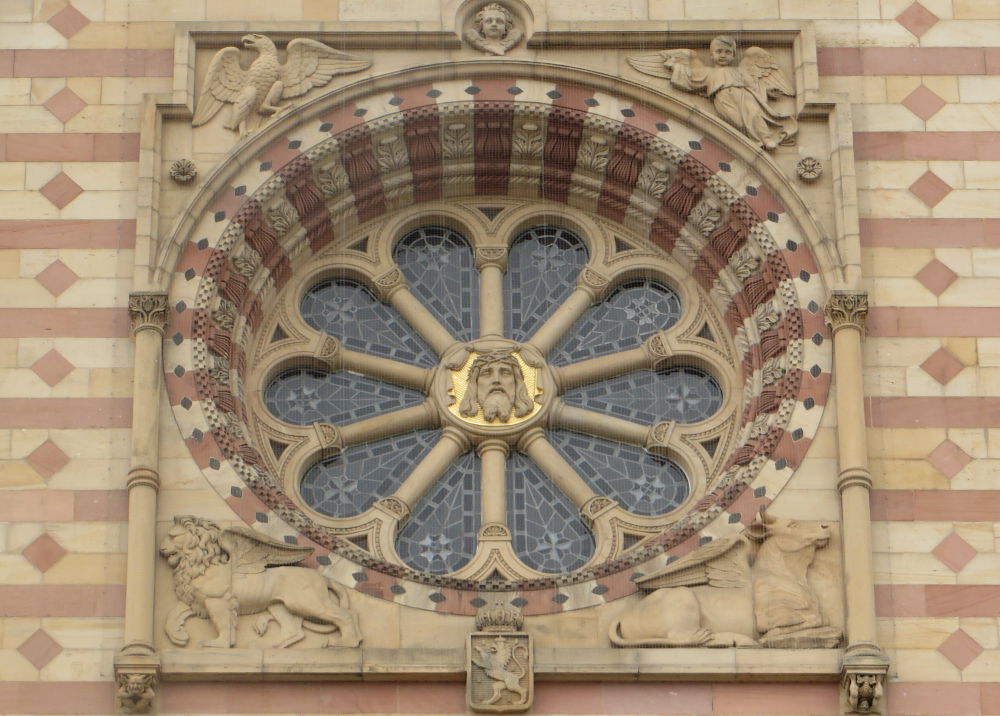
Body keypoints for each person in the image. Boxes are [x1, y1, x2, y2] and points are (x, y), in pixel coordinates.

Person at [628, 36, 797, 150]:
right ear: (711, 54)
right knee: (736, 121)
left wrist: (769, 90)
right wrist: (674, 66)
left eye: (727, 52)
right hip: (722, 99)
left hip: (745, 95)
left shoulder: (740, 70)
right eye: (719, 52)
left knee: (754, 114)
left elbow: (755, 85)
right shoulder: (707, 71)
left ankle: (766, 138)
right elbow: (690, 79)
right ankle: (752, 143)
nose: (723, 55)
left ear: (733, 55)